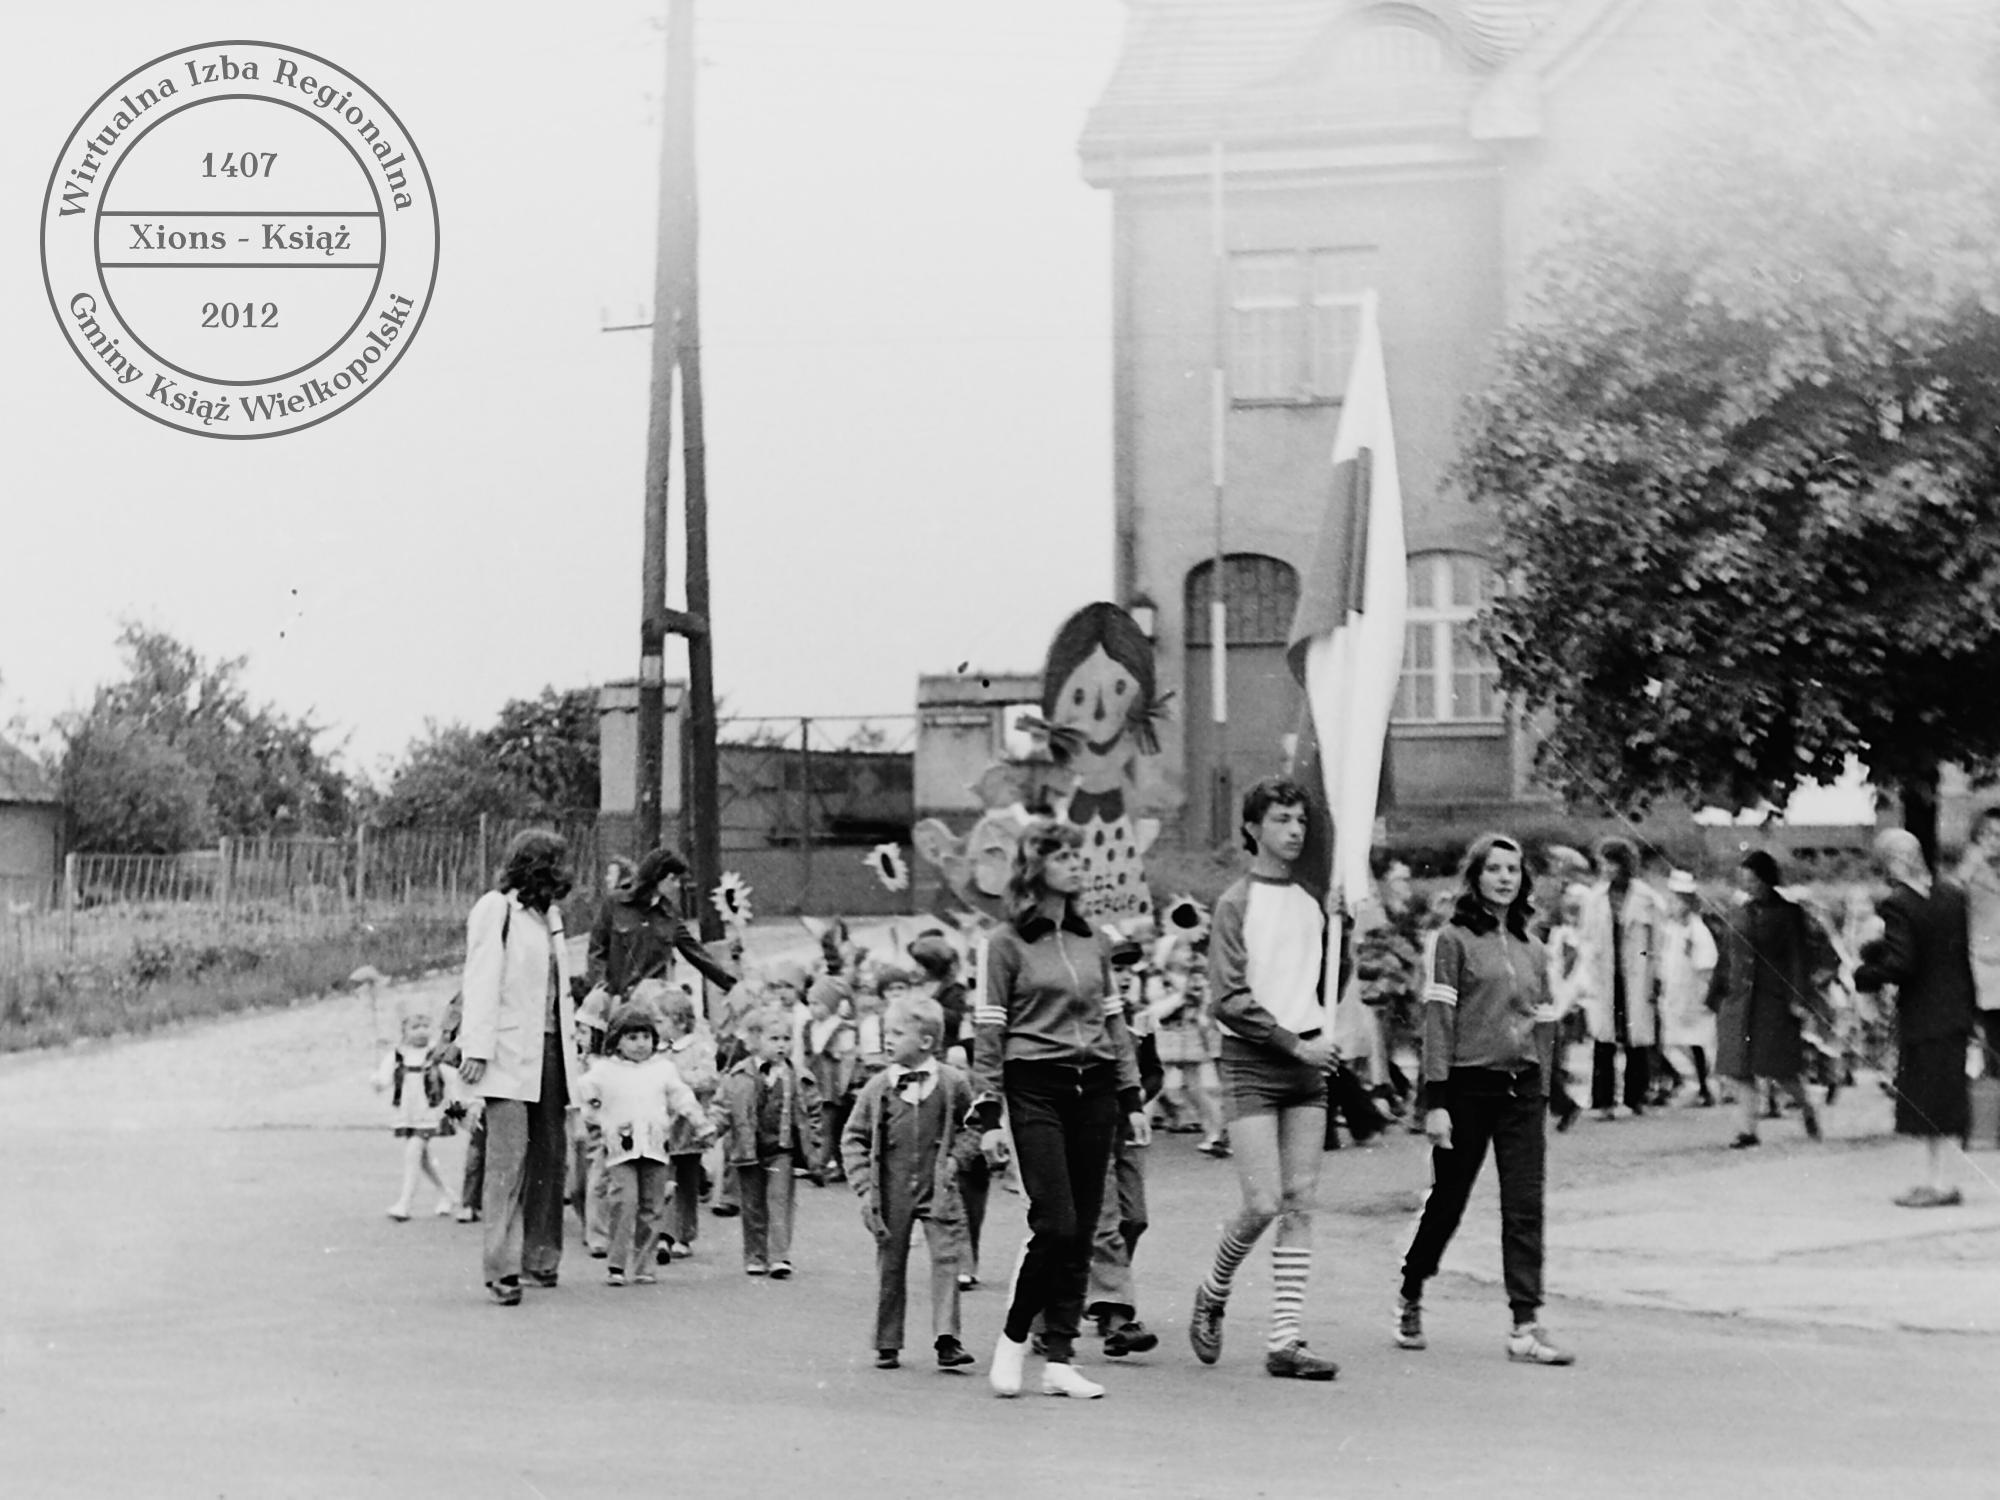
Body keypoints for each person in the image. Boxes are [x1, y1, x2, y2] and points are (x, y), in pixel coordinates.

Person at [972, 816, 1148, 1400]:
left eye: (1080, 855)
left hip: (1094, 1087)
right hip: (1035, 1087)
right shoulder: (1005, 944)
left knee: (1085, 1225)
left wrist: (1131, 1096)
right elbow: (990, 1031)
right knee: (1056, 1223)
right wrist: (988, 1111)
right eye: (1064, 855)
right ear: (1036, 866)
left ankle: (1061, 1358)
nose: (1078, 863)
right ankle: (1014, 1339)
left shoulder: (1094, 939)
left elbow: (1115, 1024)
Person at [1397, 832, 1575, 1367]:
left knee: (1524, 1206)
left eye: (1513, 870)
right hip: (1467, 1090)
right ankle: (1411, 1289)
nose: (1504, 877)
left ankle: (1525, 1324)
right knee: (1448, 1200)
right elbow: (1438, 1021)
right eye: (1494, 869)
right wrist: (1436, 1101)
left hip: (1521, 1092)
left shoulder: (1534, 947)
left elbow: (1543, 1025)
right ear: (1475, 876)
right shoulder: (1452, 941)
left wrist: (1551, 1089)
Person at [1188, 777, 1341, 1382]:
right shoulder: (1235, 902)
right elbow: (1228, 999)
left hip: (1306, 1065)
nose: (1295, 830)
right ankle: (1213, 1288)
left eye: (1300, 820)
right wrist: (1292, 1044)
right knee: (1262, 1202)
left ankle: (1284, 1341)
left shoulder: (1311, 904)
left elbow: (1324, 980)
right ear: (1253, 827)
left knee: (1301, 1200)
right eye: (1281, 819)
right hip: (1254, 1061)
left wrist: (1343, 930)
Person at [457, 829, 584, 1306]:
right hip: (508, 1053)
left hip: (552, 1053)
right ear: (537, 865)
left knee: (550, 1157)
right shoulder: (497, 908)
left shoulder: (547, 915)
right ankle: (501, 1268)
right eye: (557, 862)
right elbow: (482, 976)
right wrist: (476, 1047)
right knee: (507, 1162)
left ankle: (541, 1259)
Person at [841, 993, 979, 1372]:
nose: (888, 1039)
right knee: (891, 1263)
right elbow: (852, 1138)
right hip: (891, 1189)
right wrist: (865, 1187)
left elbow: (974, 1125)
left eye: (897, 1032)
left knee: (947, 1259)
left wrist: (955, 1159)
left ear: (926, 1042)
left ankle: (947, 1339)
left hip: (938, 1186)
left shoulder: (953, 1084)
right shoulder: (877, 1088)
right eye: (887, 1031)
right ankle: (887, 1341)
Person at [1855, 829, 1978, 1207]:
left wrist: (1866, 974)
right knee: (1944, 1100)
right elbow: (1943, 950)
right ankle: (1937, 1179)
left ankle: (1938, 1184)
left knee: (1928, 1101)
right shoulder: (1953, 895)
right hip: (1955, 1010)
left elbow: (1904, 963)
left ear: (1894, 861)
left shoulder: (1898, 903)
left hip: (1923, 1015)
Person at [579, 1004, 710, 1285]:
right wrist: (597, 1118)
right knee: (624, 1201)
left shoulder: (663, 1069)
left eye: (645, 1037)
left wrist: (700, 1122)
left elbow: (682, 1096)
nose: (640, 1045)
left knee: (652, 1206)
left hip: (655, 1147)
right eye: (632, 1038)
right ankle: (616, 1264)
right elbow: (586, 1094)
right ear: (617, 1040)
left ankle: (644, 1264)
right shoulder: (604, 1069)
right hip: (620, 1149)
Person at [1707, 851, 1827, 1149]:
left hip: (1773, 999)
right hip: (1738, 1000)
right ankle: (1747, 1129)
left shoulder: (1789, 913)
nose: (1747, 886)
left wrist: (1799, 998)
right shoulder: (1739, 911)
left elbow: (1799, 958)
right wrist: (1715, 992)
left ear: (1766, 879)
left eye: (1752, 880)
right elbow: (1726, 954)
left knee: (1780, 1067)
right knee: (1739, 1067)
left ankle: (1806, 1107)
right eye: (1743, 880)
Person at [717, 1006, 821, 1277]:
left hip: (781, 1150)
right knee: (752, 1205)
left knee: (779, 1200)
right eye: (773, 1039)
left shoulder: (798, 1076)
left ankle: (779, 1256)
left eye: (786, 1039)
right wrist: (709, 1130)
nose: (781, 1045)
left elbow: (814, 1112)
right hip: (748, 1149)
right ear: (754, 1042)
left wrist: (815, 1147)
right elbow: (723, 1107)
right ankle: (755, 1255)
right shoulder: (739, 1075)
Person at [1578, 838, 1665, 1120]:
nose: (1606, 869)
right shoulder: (1594, 898)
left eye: (1611, 862)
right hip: (1604, 974)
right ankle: (1602, 1101)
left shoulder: (1647, 898)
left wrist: (1657, 976)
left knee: (1635, 1037)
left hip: (1637, 974)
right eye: (1603, 863)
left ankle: (1635, 1097)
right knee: (1604, 1038)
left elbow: (1658, 942)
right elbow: (1586, 939)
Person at [586, 846, 740, 1003]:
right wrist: (603, 994)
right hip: (617, 1004)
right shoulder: (613, 904)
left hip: (655, 1005)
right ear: (659, 877)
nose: (677, 886)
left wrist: (735, 987)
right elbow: (596, 952)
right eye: (674, 879)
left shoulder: (670, 915)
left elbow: (698, 955)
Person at [372, 1008, 464, 1221]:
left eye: (425, 1027)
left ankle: (404, 1203)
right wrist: (377, 1081)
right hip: (408, 1112)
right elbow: (385, 1080)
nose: (421, 1032)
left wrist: (456, 1105)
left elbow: (451, 1079)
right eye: (415, 1027)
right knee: (422, 1159)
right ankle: (447, 1193)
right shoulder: (397, 1055)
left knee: (413, 1152)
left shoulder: (435, 1054)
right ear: (404, 1030)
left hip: (430, 1111)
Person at [656, 984, 719, 1260]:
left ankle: (685, 1234)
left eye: (661, 1021)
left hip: (689, 1125)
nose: (656, 1027)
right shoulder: (657, 1050)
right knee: (663, 1177)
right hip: (663, 1125)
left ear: (679, 1021)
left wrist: (678, 1081)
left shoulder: (698, 1047)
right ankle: (664, 1234)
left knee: (688, 1180)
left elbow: (709, 1078)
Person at [1657, 870, 1720, 1106]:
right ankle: (1682, 1082)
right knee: (1672, 1041)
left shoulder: (1697, 931)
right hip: (1673, 991)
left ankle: (1703, 1086)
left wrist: (1701, 993)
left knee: (1696, 1042)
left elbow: (1706, 965)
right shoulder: (1671, 929)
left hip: (1691, 994)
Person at [1953, 807, 2000, 1076]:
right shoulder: (1969, 873)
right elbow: (1949, 896)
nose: (1992, 840)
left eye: (1998, 835)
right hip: (1981, 978)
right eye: (1986, 834)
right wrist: (1972, 862)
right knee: (1990, 1055)